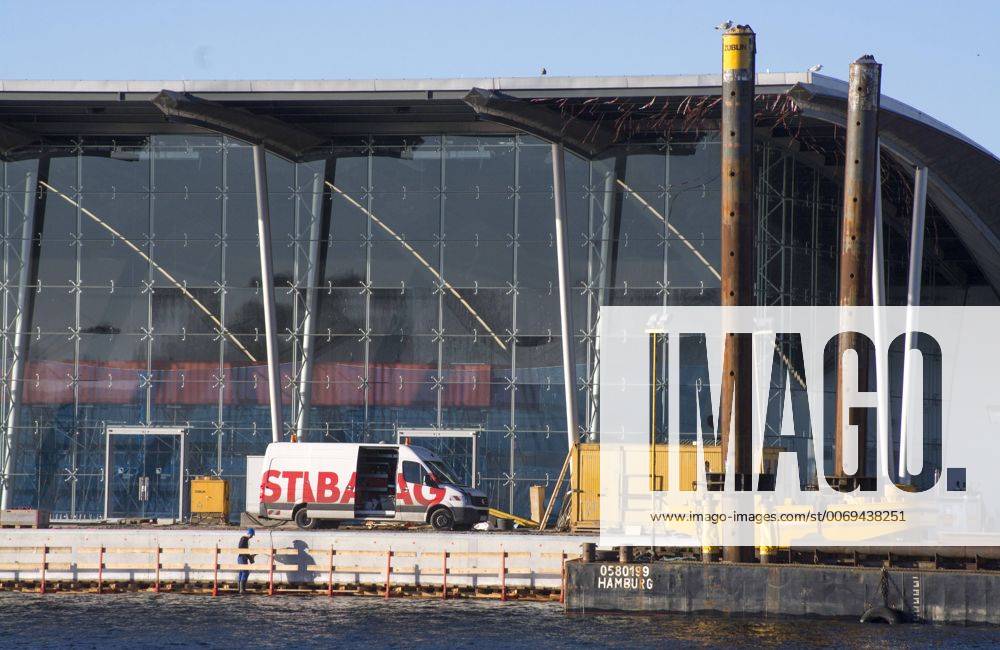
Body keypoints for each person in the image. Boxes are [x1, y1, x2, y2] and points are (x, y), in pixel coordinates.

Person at [237, 528, 255, 594]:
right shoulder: (244, 539)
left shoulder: (245, 539)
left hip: (242, 557)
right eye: (252, 535)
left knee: (241, 572)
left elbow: (244, 550)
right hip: (242, 557)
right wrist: (249, 557)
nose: (252, 536)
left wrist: (250, 557)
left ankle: (240, 589)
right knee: (245, 572)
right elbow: (241, 548)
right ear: (249, 533)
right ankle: (242, 590)